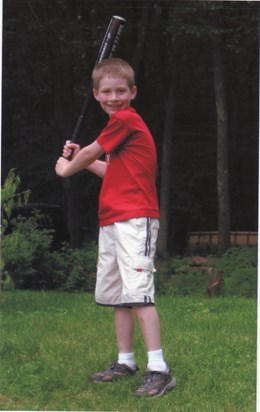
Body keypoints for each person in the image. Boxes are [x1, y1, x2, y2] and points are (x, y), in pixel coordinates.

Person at [55, 58, 176, 398]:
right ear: (95, 94)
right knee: (122, 298)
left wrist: (68, 168)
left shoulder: (125, 119)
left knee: (138, 293)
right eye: (106, 91)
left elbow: (93, 150)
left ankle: (159, 369)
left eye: (120, 90)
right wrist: (81, 159)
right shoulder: (119, 131)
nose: (113, 97)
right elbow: (109, 169)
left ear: (132, 92)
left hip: (136, 218)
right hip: (113, 218)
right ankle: (126, 361)